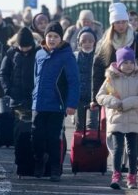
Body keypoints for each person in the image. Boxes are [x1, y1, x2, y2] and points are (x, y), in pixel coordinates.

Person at [31, 21, 80, 182]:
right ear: (45, 37)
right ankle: (39, 161)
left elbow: (74, 82)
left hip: (57, 105)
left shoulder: (67, 56)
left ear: (61, 38)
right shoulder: (39, 54)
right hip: (38, 104)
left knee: (53, 138)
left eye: (55, 36)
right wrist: (34, 95)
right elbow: (36, 78)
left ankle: (55, 169)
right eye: (49, 36)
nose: (52, 39)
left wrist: (72, 104)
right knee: (37, 136)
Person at [96, 46, 138, 190]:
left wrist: (127, 103)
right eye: (125, 62)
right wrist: (113, 102)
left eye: (131, 62)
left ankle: (132, 177)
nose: (128, 65)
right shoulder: (110, 79)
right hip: (116, 119)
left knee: (133, 150)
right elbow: (100, 96)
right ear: (119, 64)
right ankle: (116, 175)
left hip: (133, 119)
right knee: (118, 149)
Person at [91, 2, 138, 109]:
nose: (121, 25)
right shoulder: (106, 42)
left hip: (133, 89)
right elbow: (97, 68)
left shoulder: (136, 38)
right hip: (113, 90)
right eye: (117, 22)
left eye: (124, 22)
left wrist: (136, 69)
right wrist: (94, 99)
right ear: (112, 24)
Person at [0, 27, 39, 121]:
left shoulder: (39, 53)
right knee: (17, 128)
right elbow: (3, 73)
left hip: (34, 98)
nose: (24, 50)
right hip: (16, 98)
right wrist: (8, 90)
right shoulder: (11, 53)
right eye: (22, 47)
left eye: (27, 47)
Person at [73, 26, 98, 131]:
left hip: (95, 96)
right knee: (80, 124)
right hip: (80, 95)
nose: (87, 44)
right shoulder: (75, 56)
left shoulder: (98, 56)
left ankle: (93, 146)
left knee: (93, 124)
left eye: (90, 41)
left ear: (94, 42)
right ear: (79, 43)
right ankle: (79, 145)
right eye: (84, 41)